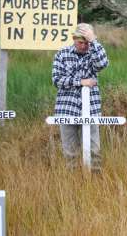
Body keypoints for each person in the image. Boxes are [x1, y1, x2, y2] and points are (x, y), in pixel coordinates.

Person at [52, 23, 109, 171]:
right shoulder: (62, 54)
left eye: (86, 42)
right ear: (73, 39)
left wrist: (94, 41)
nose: (84, 46)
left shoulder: (93, 52)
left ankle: (95, 184)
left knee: (94, 150)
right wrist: (80, 82)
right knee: (70, 152)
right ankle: (74, 185)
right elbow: (57, 80)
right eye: (80, 42)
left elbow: (103, 64)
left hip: (91, 108)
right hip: (67, 108)